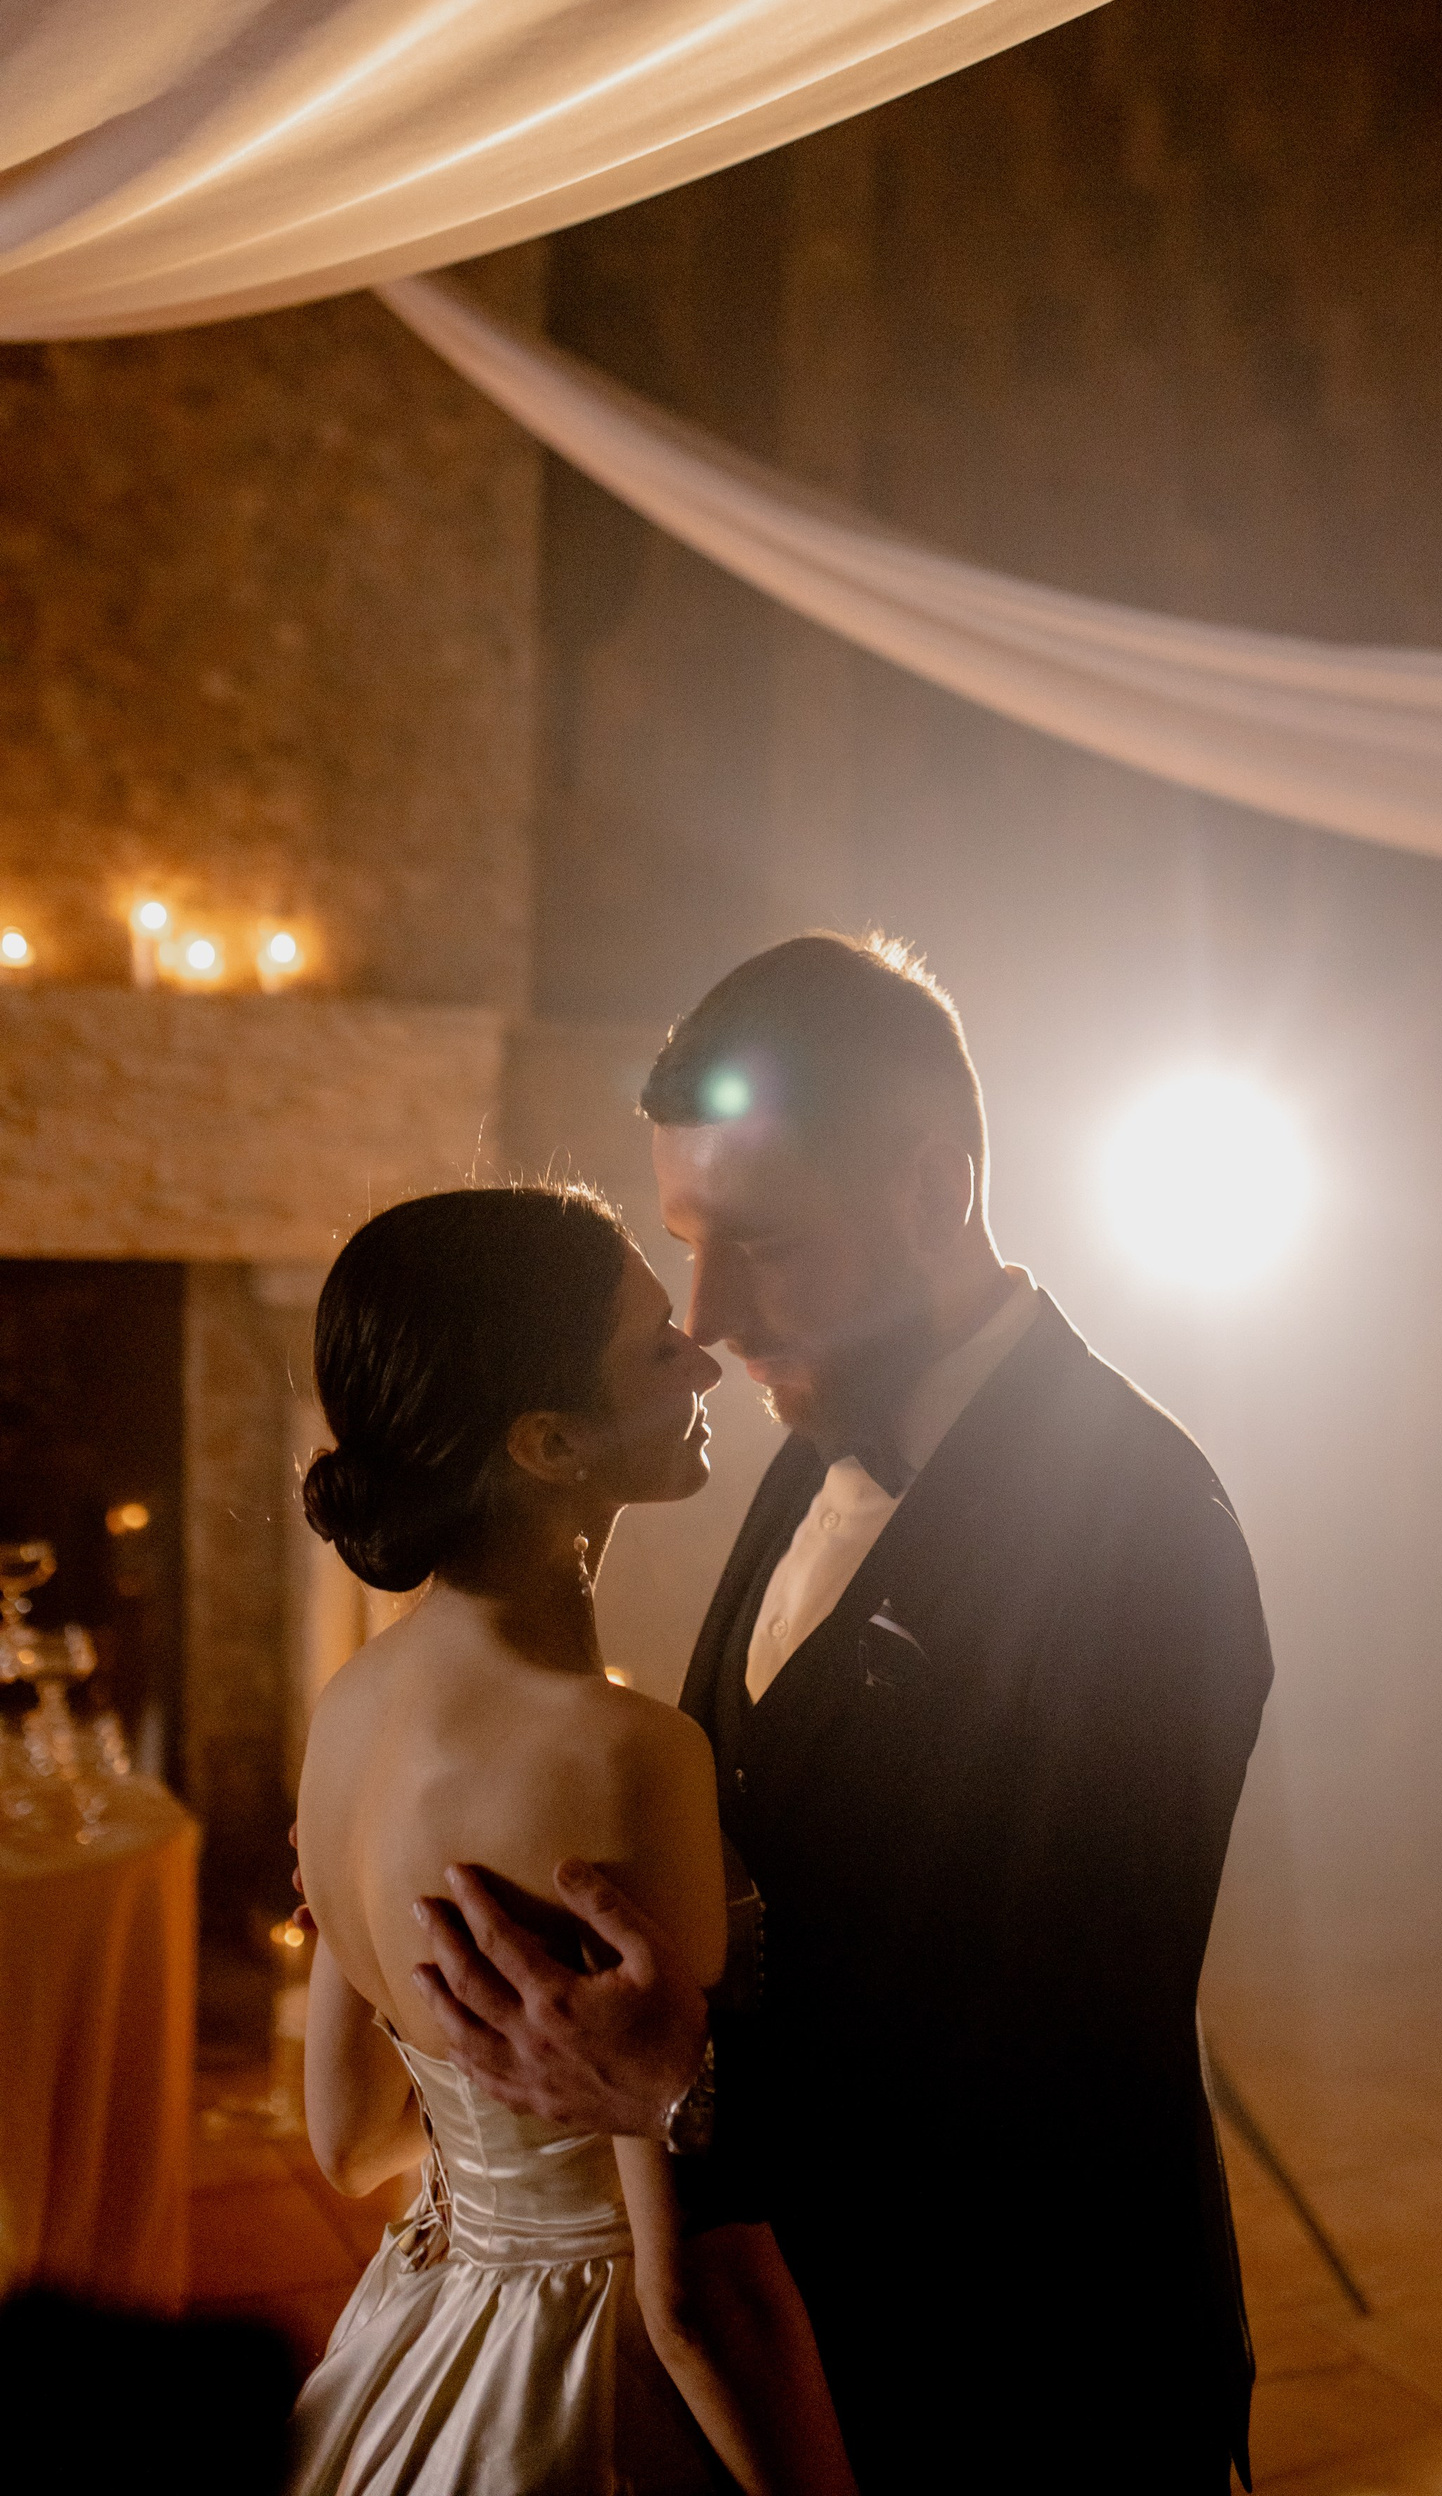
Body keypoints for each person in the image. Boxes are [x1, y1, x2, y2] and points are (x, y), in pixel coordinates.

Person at [415, 936, 1274, 2492]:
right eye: (687, 1244)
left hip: (1040, 2371)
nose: (708, 1316)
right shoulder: (817, 1433)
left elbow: (1072, 2044)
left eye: (766, 1245)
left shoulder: (1146, 1525)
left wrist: (687, 2090)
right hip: (805, 2358)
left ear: (935, 1191)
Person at [287, 1182, 857, 2496]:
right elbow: (695, 2304)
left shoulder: (348, 1710)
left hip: (429, 2344)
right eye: (656, 1348)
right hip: (592, 2386)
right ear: (549, 1444)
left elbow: (349, 2141)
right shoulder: (620, 1755)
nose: (702, 1359)